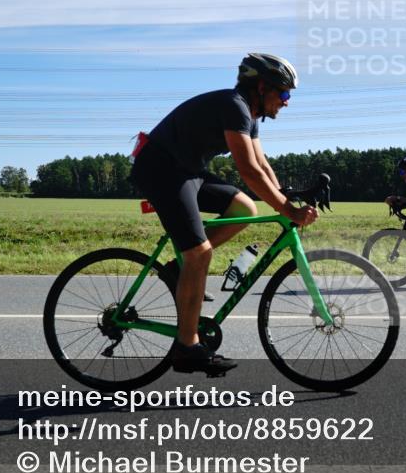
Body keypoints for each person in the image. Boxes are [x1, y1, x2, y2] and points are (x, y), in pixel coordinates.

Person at [129, 53, 318, 376]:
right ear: (262, 87)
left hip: (188, 170)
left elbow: (261, 165)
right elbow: (248, 172)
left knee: (245, 207)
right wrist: (287, 210)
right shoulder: (234, 106)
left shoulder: (250, 115)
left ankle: (180, 268)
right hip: (160, 168)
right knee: (199, 252)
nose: (286, 102)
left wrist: (283, 196)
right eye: (284, 93)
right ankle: (187, 347)